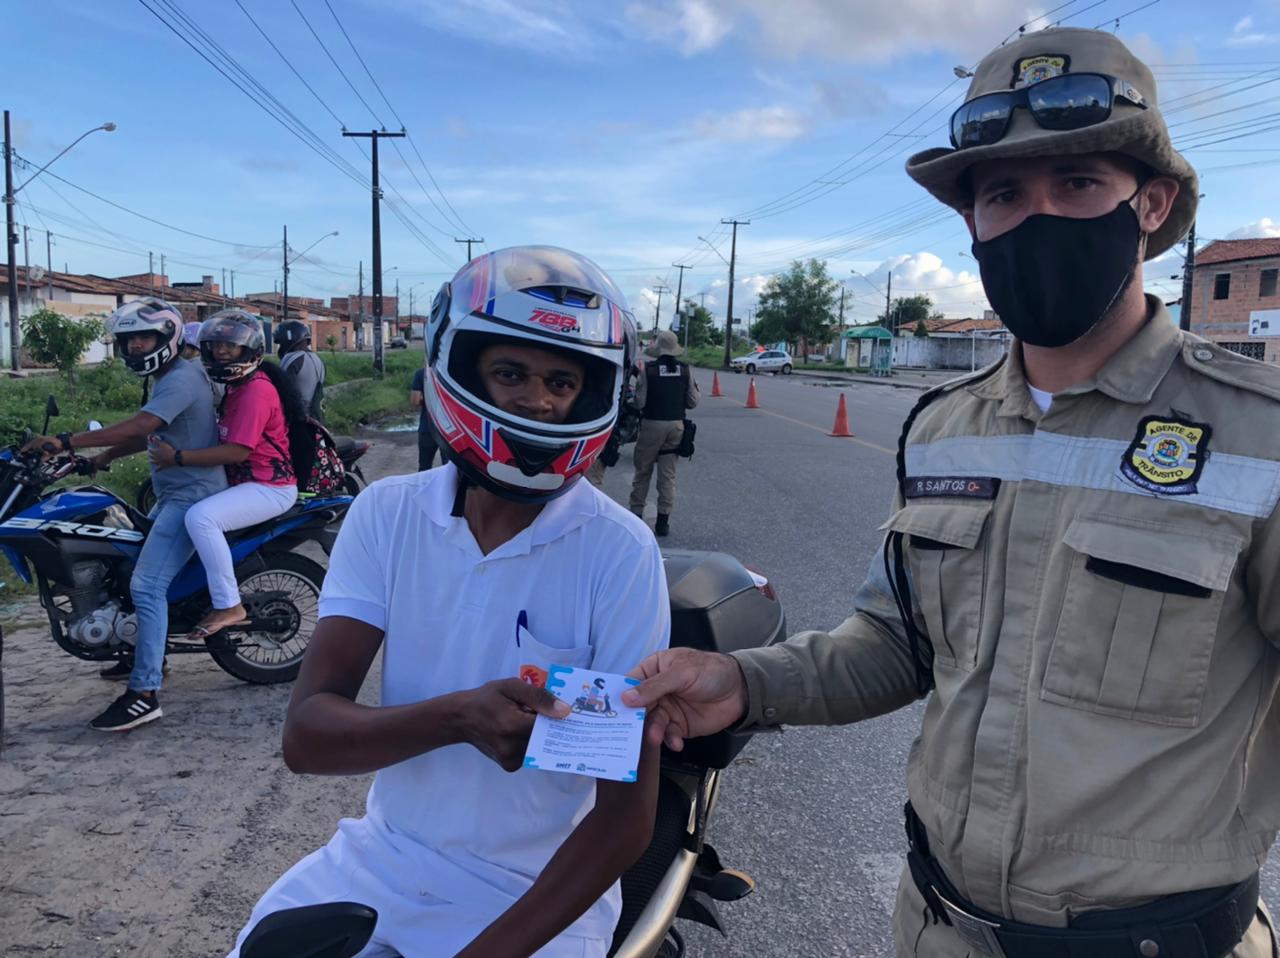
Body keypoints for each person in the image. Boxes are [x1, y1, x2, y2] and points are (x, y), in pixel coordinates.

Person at [624, 27, 1280, 958]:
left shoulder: (1262, 436)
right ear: (972, 221)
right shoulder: (944, 428)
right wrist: (740, 680)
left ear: (1152, 203)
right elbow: (898, 645)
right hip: (938, 931)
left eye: (1079, 185)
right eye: (1004, 193)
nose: (1037, 217)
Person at [227, 246, 668, 958]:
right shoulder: (388, 516)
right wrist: (459, 718)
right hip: (384, 856)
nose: (537, 400)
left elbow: (622, 821)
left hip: (537, 895)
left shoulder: (618, 552)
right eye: (510, 372)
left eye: (562, 381)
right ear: (456, 369)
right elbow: (306, 737)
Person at [24, 298, 228, 731]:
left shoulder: (178, 379)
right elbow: (151, 432)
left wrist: (66, 441)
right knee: (127, 562)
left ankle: (144, 693)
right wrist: (101, 458)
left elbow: (141, 425)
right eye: (128, 340)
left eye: (144, 338)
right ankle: (140, 650)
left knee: (146, 586)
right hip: (172, 492)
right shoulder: (172, 375)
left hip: (190, 497)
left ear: (167, 337)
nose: (136, 347)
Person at [149, 310, 300, 640]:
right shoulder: (235, 386)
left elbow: (237, 452)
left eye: (229, 348)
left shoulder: (255, 391)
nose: (219, 353)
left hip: (269, 487)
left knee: (201, 518)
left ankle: (230, 604)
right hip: (244, 483)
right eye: (215, 346)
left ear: (249, 351)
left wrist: (176, 457)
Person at [628, 329, 699, 536]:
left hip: (652, 425)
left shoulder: (649, 370)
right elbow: (692, 402)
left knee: (643, 472)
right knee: (667, 476)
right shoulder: (685, 371)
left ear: (658, 348)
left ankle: (636, 518)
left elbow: (640, 402)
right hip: (676, 427)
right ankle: (662, 523)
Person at [274, 318, 326, 423]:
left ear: (288, 339)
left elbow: (283, 391)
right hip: (316, 419)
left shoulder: (292, 359)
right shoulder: (319, 360)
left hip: (297, 421)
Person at [409, 364, 440, 472]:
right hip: (449, 430)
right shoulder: (450, 373)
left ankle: (425, 488)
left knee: (425, 467)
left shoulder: (421, 374)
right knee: (450, 468)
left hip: (427, 427)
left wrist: (424, 398)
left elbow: (415, 401)